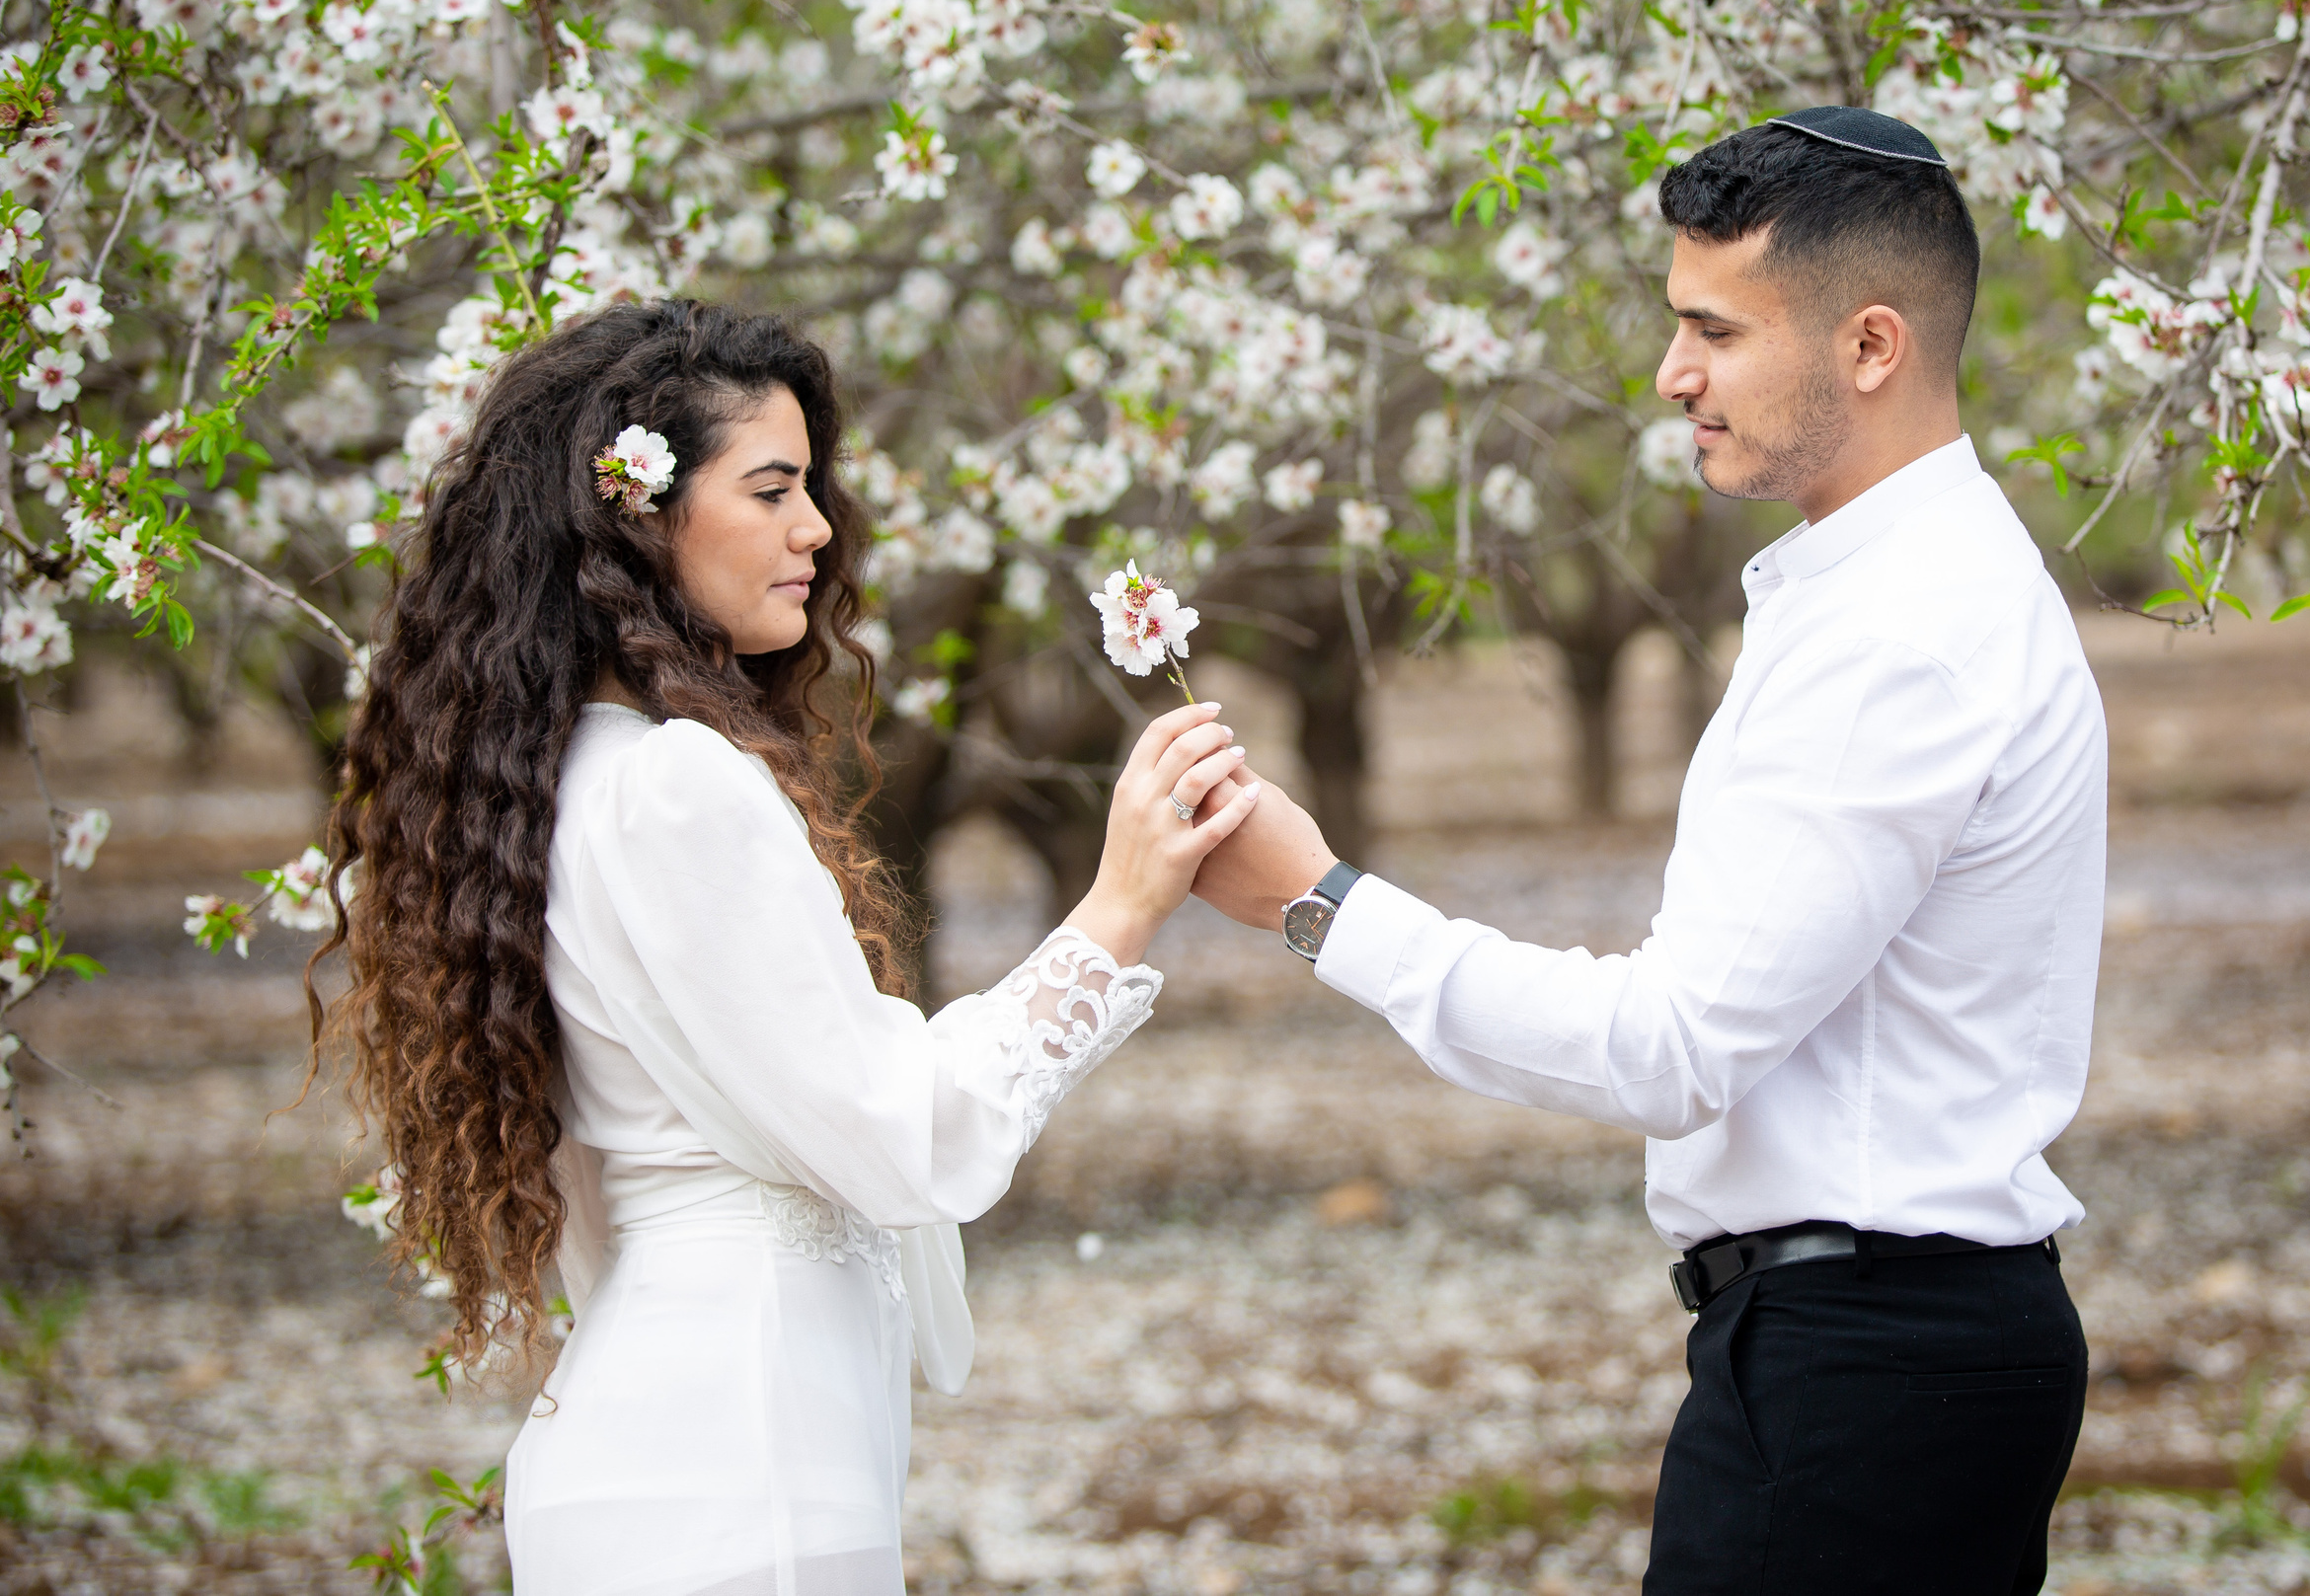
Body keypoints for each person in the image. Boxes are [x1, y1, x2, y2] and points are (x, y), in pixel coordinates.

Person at [1193, 109, 2106, 1595]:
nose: (1673, 373)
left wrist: (1319, 904)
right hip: (1875, 1353)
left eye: (1714, 330)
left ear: (1870, 347)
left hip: (1867, 1369)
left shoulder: (1900, 637)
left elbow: (1671, 1046)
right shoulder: (1882, 589)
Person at [311, 300, 1262, 1595]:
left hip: (670, 1442)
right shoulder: (677, 787)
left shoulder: (554, 787)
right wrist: (1122, 904)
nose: (816, 528)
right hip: (736, 1466)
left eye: (809, 486)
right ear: (635, 515)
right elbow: (897, 1132)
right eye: (771, 488)